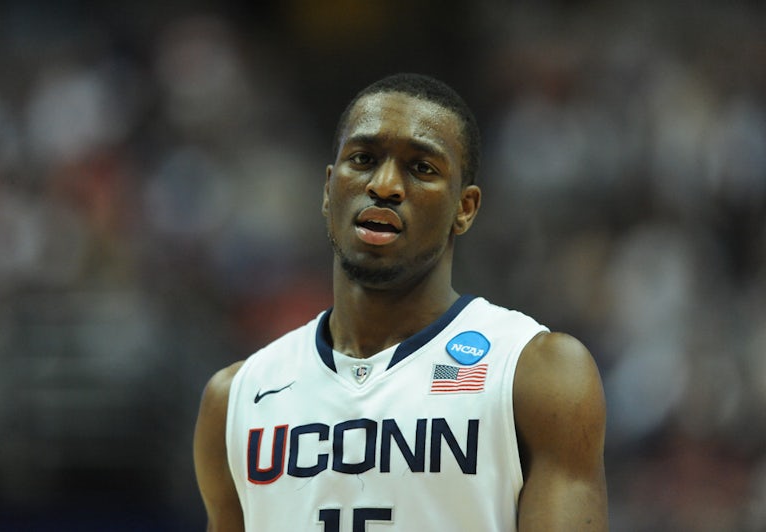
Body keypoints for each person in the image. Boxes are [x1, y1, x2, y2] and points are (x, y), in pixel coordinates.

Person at [194, 72, 608, 531]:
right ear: (328, 190)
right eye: (363, 159)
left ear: (465, 208)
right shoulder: (236, 399)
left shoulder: (537, 373)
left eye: (422, 168)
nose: (385, 185)